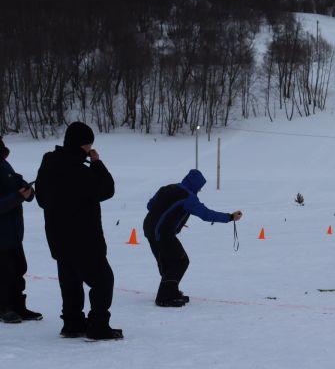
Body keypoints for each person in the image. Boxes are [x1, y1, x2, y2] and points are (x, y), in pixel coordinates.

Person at [35, 122, 122, 340]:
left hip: (57, 237)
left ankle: (73, 323)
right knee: (103, 280)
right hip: (84, 238)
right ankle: (99, 325)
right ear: (82, 145)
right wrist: (97, 163)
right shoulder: (78, 169)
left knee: (71, 281)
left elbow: (42, 199)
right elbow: (106, 189)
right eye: (88, 144)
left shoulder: (49, 163)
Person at [143, 169, 242, 307]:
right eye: (200, 188)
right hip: (162, 232)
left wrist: (170, 216)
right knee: (180, 261)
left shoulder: (167, 188)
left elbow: (150, 205)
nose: (200, 190)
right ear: (196, 185)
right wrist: (230, 217)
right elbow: (206, 214)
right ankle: (164, 297)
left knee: (167, 261)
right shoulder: (188, 197)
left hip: (149, 228)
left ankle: (171, 292)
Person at [0, 137, 42, 323]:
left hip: (13, 231)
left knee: (18, 269)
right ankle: (4, 308)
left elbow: (16, 180)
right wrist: (17, 197)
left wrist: (27, 190)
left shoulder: (4, 165)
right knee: (4, 272)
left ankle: (18, 306)